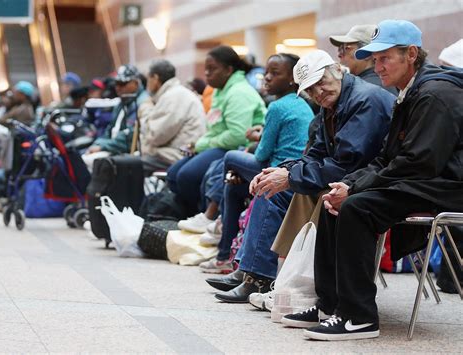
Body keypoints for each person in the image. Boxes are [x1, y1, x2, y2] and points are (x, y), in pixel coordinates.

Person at [299, 20, 463, 341]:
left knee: (357, 207)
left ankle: (358, 316)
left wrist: (357, 189)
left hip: (447, 186)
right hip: (424, 179)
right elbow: (387, 157)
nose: (378, 66)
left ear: (411, 54)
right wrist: (349, 183)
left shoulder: (434, 94)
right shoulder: (409, 92)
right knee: (334, 201)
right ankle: (330, 306)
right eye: (374, 60)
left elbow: (419, 162)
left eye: (384, 58)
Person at [210, 49, 395, 303]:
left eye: (321, 82)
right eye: (311, 89)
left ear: (338, 71)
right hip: (350, 176)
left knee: (299, 191)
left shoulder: (364, 100)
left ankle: (292, 283)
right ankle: (262, 275)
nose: (318, 92)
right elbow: (315, 153)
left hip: (367, 181)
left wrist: (290, 177)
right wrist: (283, 170)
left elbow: (347, 164)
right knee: (273, 188)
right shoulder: (333, 103)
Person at [197, 53, 314, 273]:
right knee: (233, 187)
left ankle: (214, 217)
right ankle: (224, 254)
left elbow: (261, 156)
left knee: (231, 157)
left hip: (278, 169)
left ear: (292, 79)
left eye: (274, 73)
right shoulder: (302, 104)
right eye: (266, 72)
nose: (266, 78)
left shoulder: (278, 107)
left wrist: (254, 146)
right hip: (291, 168)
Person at [167, 45, 266, 216]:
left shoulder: (239, 93)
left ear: (228, 70)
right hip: (220, 145)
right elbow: (215, 127)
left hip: (239, 148)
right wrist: (197, 144)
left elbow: (237, 135)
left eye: (212, 69)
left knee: (186, 176)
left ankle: (203, 217)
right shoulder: (220, 91)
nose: (206, 74)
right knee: (173, 174)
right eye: (205, 70)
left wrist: (202, 145)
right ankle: (190, 215)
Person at [139, 59, 206, 176]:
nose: (147, 84)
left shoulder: (173, 96)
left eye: (148, 78)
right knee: (131, 162)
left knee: (130, 166)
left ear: (155, 78)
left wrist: (145, 109)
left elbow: (155, 135)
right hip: (179, 152)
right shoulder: (175, 94)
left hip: (179, 155)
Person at [82, 64, 148, 169]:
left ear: (135, 83)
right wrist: (98, 144)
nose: (118, 88)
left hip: (128, 152)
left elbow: (130, 137)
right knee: (82, 158)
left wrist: (102, 146)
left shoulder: (142, 103)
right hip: (114, 148)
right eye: (116, 84)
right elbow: (109, 129)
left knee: (87, 163)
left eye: (122, 84)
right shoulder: (122, 102)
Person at [329, 24, 397, 94]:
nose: (339, 54)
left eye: (346, 48)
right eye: (340, 49)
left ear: (366, 53)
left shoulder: (364, 89)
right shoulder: (384, 83)